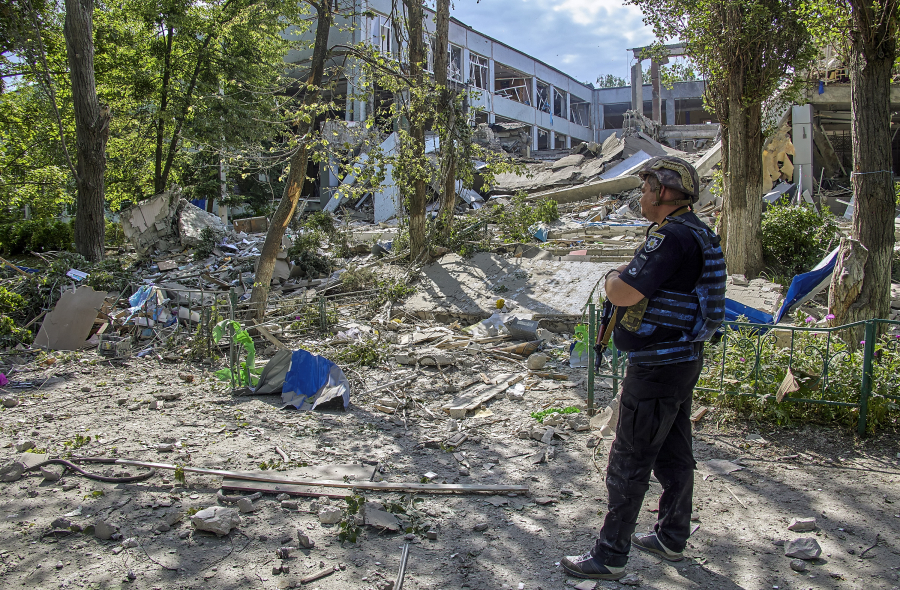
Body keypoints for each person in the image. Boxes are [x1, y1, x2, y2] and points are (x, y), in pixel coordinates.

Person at [561, 156, 727, 581]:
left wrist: (613, 275)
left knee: (629, 459)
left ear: (667, 193)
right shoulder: (699, 233)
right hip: (682, 361)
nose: (642, 193)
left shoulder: (670, 239)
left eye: (648, 185)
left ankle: (610, 555)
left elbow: (622, 293)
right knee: (674, 451)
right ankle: (672, 536)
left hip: (657, 367)